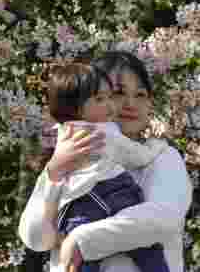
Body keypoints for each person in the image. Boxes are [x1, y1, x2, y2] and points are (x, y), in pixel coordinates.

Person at [19, 51, 192, 272]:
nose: (130, 103)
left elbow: (161, 218)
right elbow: (36, 238)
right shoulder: (65, 163)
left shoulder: (161, 157)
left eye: (141, 94)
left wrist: (81, 240)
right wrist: (53, 174)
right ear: (81, 101)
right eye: (116, 93)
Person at [45, 62, 169, 272]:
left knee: (83, 263)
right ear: (76, 107)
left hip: (75, 209)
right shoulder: (104, 132)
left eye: (110, 97)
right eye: (100, 99)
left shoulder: (62, 134)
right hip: (111, 195)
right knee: (148, 251)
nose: (111, 105)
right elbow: (137, 156)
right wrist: (156, 145)